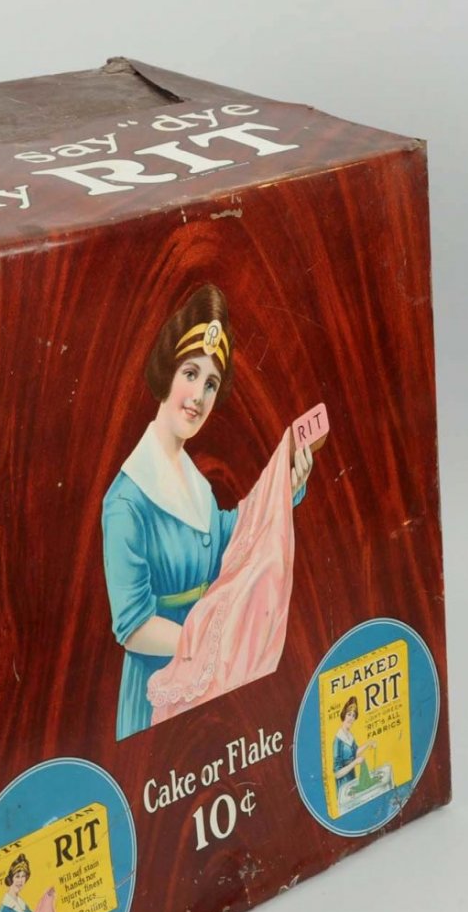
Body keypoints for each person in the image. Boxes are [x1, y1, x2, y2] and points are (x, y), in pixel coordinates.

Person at [101, 284, 313, 741]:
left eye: (211, 383)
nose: (198, 395)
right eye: (191, 373)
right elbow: (132, 626)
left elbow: (226, 535)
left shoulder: (193, 479)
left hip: (209, 675)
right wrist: (212, 646)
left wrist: (284, 488)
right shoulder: (126, 502)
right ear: (167, 371)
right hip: (159, 682)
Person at [332, 696, 375, 797]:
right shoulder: (338, 740)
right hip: (343, 784)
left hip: (352, 778)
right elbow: (337, 774)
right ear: (344, 715)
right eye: (349, 714)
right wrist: (355, 762)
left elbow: (354, 752)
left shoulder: (350, 735)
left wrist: (368, 744)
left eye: (353, 715)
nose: (351, 718)